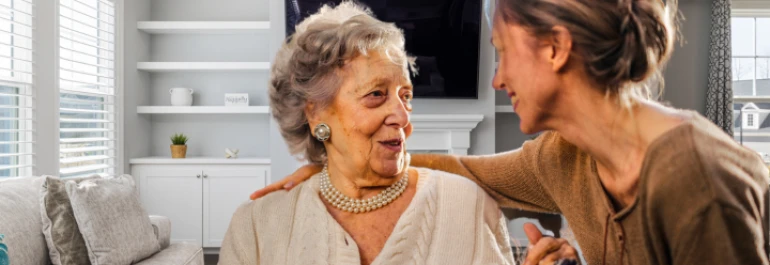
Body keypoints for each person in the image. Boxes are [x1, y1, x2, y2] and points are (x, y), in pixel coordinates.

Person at [251, 0, 770, 264]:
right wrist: (335, 161)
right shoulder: (564, 157)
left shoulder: (693, 179)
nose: (497, 78)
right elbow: (463, 168)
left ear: (555, 48)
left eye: (502, 51)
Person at [219, 2, 517, 265]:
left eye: (405, 96)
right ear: (315, 113)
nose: (402, 117)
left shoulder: (468, 207)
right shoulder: (256, 226)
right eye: (376, 94)